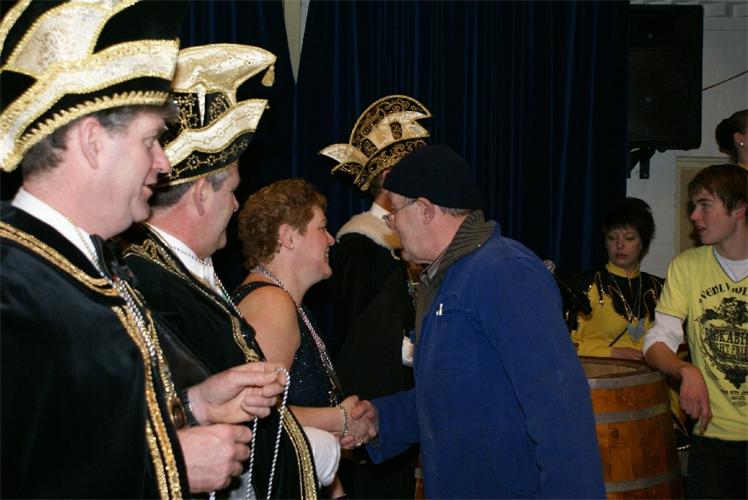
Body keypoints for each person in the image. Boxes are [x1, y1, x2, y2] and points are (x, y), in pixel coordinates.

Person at [1, 2, 285, 497]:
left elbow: (80, 431)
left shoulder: (84, 265)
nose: (163, 164)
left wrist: (196, 405)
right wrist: (170, 467)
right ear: (92, 141)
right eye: (151, 140)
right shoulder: (13, 285)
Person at [120, 44, 322, 498]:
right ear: (201, 196)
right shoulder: (149, 284)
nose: (236, 205)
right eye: (231, 191)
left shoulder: (180, 273)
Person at [354, 144, 605, 498]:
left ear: (424, 210)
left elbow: (560, 409)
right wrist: (381, 420)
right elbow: (455, 396)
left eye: (394, 211)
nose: (391, 223)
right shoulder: (445, 279)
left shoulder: (507, 272)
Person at [232, 179, 379, 497]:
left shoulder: (288, 304)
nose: (331, 239)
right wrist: (339, 419)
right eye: (322, 228)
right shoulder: (271, 304)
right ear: (288, 237)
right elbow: (255, 415)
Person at [320, 94, 429, 498]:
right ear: (387, 178)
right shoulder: (360, 242)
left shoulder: (419, 241)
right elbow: (357, 330)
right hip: (374, 392)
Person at [644, 163, 747, 499]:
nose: (694, 216)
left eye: (705, 205)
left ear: (739, 208)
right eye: (693, 206)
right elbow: (657, 340)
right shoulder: (686, 266)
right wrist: (685, 370)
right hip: (711, 442)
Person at [566, 197, 664, 359]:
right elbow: (562, 343)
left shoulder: (660, 288)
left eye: (629, 238)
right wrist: (612, 353)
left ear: (643, 243)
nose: (619, 245)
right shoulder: (583, 285)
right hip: (596, 373)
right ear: (605, 242)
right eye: (612, 238)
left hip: (649, 374)